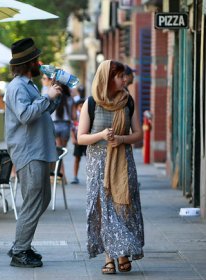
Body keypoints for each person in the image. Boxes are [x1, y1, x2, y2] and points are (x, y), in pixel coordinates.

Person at [77, 60, 144, 274]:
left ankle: (122, 253)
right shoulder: (91, 103)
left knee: (122, 208)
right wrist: (102, 136)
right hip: (97, 165)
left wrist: (122, 139)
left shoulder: (127, 102)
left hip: (123, 163)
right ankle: (109, 256)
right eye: (120, 76)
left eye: (125, 76)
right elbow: (81, 138)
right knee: (104, 211)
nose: (125, 80)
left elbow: (138, 134)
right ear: (107, 78)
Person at [5, 37, 62, 268]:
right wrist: (47, 96)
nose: (39, 63)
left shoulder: (29, 85)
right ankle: (20, 251)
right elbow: (25, 115)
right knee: (32, 201)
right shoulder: (17, 86)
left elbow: (41, 111)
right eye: (36, 60)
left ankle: (22, 243)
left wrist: (54, 96)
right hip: (29, 151)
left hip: (38, 148)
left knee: (43, 198)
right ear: (28, 63)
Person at [70, 98, 86, 184]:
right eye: (80, 106)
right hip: (78, 140)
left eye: (83, 105)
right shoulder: (75, 117)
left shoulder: (88, 115)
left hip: (86, 139)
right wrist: (73, 138)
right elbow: (72, 129)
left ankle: (91, 175)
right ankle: (75, 177)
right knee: (77, 158)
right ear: (76, 108)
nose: (82, 107)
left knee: (90, 158)